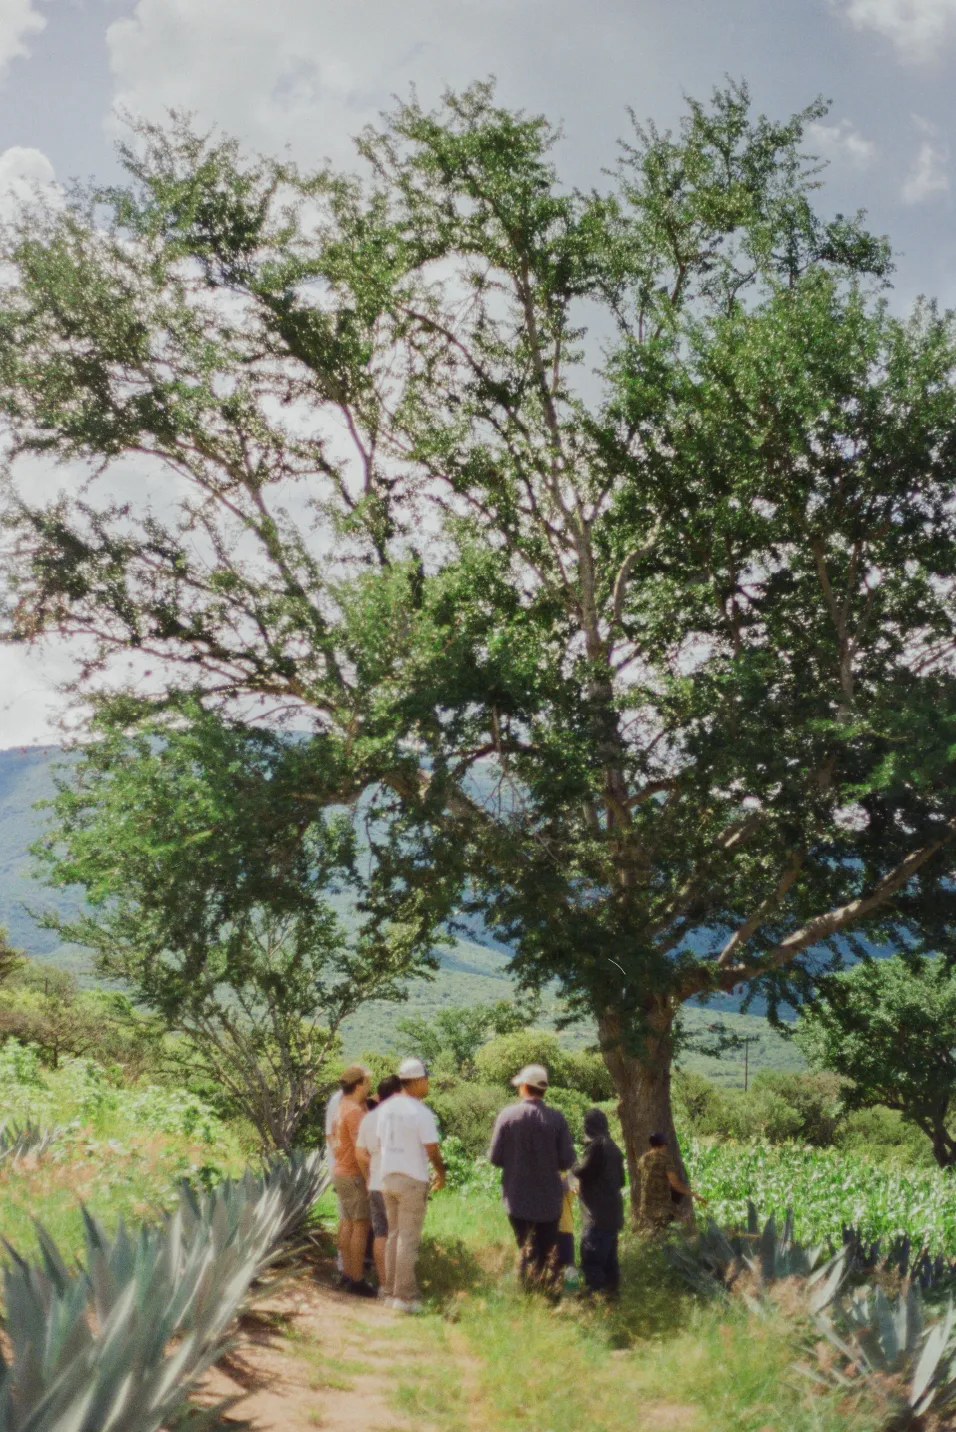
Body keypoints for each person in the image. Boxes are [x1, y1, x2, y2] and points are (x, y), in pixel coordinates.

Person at [488, 1063, 576, 1292]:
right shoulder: (557, 1119)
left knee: (525, 1246)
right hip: (549, 1201)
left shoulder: (508, 1116)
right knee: (546, 1251)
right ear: (543, 1090)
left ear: (524, 1087)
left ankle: (527, 1294)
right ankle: (546, 1297)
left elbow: (495, 1158)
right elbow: (567, 1160)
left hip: (517, 1199)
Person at [370, 1056, 445, 1313]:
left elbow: (379, 1143)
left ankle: (390, 1292)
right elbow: (432, 1148)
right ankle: (405, 1297)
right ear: (417, 1081)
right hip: (412, 1178)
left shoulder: (387, 1109)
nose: (428, 1084)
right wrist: (441, 1172)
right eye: (426, 1079)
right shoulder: (420, 1112)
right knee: (408, 1238)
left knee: (393, 1235)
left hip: (387, 1176)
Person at [354, 1073, 402, 1292]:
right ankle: (398, 1285)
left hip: (374, 1183)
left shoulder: (368, 1118)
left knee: (381, 1234)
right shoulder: (401, 1118)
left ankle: (384, 1285)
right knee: (398, 1235)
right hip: (396, 1183)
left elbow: (360, 1153)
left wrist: (371, 1170)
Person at [331, 1064, 376, 1297]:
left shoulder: (341, 1107)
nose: (369, 1086)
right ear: (359, 1084)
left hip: (340, 1171)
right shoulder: (355, 1112)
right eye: (367, 1082)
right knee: (360, 1225)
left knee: (347, 1223)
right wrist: (369, 1179)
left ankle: (347, 1273)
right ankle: (357, 1278)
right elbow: (361, 1149)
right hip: (354, 1174)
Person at [573, 1107, 626, 1296]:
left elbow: (583, 1172)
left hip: (597, 1217)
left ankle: (594, 1305)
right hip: (613, 1216)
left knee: (592, 1264)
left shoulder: (597, 1146)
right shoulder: (614, 1147)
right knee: (610, 1264)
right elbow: (622, 1181)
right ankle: (612, 1302)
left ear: (588, 1126)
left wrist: (572, 1163)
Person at [636, 1131, 706, 1234]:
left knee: (654, 1238)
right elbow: (675, 1184)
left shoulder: (642, 1159)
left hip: (645, 1208)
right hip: (661, 1208)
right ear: (663, 1145)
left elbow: (641, 1176)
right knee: (670, 1237)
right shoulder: (665, 1159)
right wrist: (694, 1194)